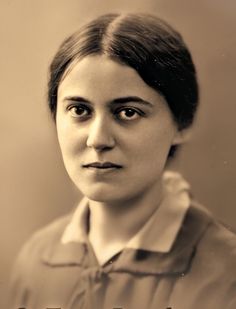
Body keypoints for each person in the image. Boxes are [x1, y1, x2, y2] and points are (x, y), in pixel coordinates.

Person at [9, 13, 236, 309]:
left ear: (182, 123)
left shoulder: (224, 271)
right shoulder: (36, 260)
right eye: (79, 110)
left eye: (127, 112)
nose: (98, 139)